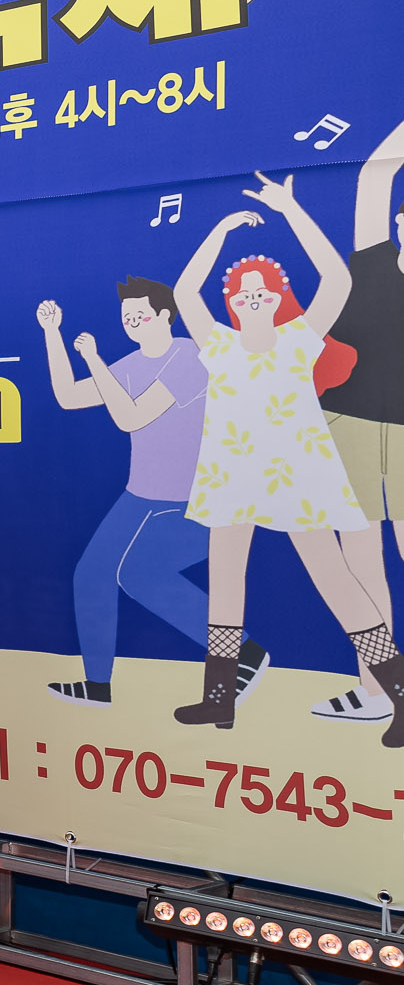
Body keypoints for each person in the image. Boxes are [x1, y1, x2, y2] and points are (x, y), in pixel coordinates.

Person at [170, 176, 398, 742]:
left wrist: (292, 209)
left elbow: (338, 278)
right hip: (230, 477)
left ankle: (398, 691)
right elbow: (182, 293)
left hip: (295, 477)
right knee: (225, 581)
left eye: (263, 289)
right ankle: (219, 701)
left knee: (334, 578)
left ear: (277, 299)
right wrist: (220, 233)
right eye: (242, 290)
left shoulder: (300, 338)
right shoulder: (216, 344)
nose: (252, 295)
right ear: (231, 301)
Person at [35, 282, 219, 707]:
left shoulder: (188, 356)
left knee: (143, 576)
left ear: (165, 316)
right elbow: (67, 396)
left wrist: (95, 358)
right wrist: (53, 334)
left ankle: (242, 652)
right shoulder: (132, 363)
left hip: (189, 498)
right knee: (91, 574)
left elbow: (131, 417)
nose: (132, 323)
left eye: (140, 315)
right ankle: (98, 685)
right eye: (126, 318)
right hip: (141, 495)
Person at [316, 115, 404, 723]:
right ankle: (376, 687)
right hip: (345, 423)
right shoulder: (373, 261)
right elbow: (377, 174)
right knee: (358, 553)